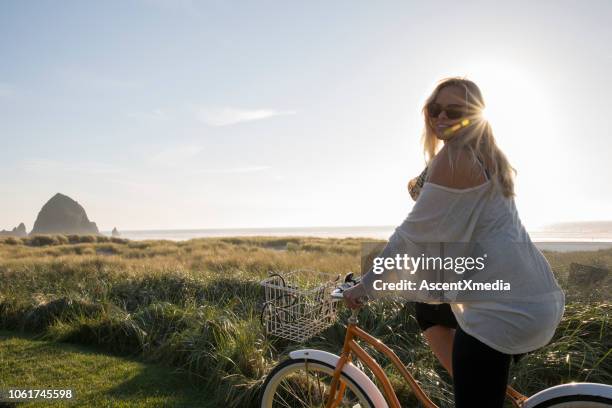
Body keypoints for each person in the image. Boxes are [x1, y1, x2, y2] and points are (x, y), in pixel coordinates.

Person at [343, 77, 565, 408]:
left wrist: (366, 286)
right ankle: (474, 384)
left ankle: (474, 389)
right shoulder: (490, 156)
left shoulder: (453, 158)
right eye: (435, 109)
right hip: (537, 299)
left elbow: (408, 237)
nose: (442, 117)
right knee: (428, 311)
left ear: (474, 116)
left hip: (504, 313)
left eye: (454, 110)